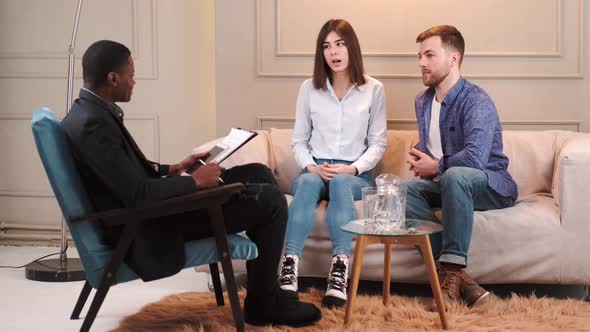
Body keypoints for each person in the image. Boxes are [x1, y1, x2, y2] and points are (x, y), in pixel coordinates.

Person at [61, 40, 321, 327]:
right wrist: (195, 182)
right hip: (146, 228)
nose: (134, 82)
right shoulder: (93, 125)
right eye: (131, 75)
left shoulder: (88, 113)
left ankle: (266, 292)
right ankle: (261, 305)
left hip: (150, 213)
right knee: (270, 202)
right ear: (112, 78)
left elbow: (123, 174)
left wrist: (173, 169)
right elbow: (138, 194)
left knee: (258, 172)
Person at [405, 25, 518, 309]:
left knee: (455, 175)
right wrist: (421, 157)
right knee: (403, 191)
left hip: (489, 185)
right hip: (448, 182)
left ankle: (451, 280)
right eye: (419, 55)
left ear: (453, 58)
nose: (421, 63)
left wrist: (437, 166)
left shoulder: (477, 100)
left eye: (429, 55)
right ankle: (460, 279)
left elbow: (475, 160)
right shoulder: (423, 101)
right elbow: (437, 143)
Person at [278, 19, 387, 308]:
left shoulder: (373, 89)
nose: (333, 52)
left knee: (340, 183)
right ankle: (289, 268)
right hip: (315, 169)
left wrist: (352, 169)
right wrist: (311, 166)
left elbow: (378, 144)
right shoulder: (308, 89)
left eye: (340, 44)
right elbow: (299, 141)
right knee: (308, 183)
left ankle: (340, 269)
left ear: (352, 47)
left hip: (353, 175)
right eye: (326, 46)